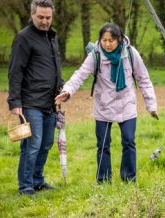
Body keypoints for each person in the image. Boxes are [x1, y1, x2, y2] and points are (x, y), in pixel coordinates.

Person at [55, 23, 157, 183]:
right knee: (103, 145)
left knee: (129, 141)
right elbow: (80, 75)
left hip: (126, 104)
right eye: (104, 40)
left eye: (111, 40)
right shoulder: (95, 55)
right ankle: (103, 181)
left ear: (120, 39)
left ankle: (129, 179)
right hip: (103, 105)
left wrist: (151, 105)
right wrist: (67, 91)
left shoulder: (130, 53)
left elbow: (143, 79)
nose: (107, 44)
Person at [7, 0, 63, 196]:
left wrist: (61, 89)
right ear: (32, 15)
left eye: (48, 17)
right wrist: (15, 102)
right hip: (30, 102)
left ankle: (38, 180)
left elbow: (55, 67)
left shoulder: (52, 37)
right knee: (32, 144)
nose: (45, 21)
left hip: (50, 102)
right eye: (41, 17)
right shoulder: (23, 38)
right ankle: (26, 185)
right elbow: (15, 72)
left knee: (46, 143)